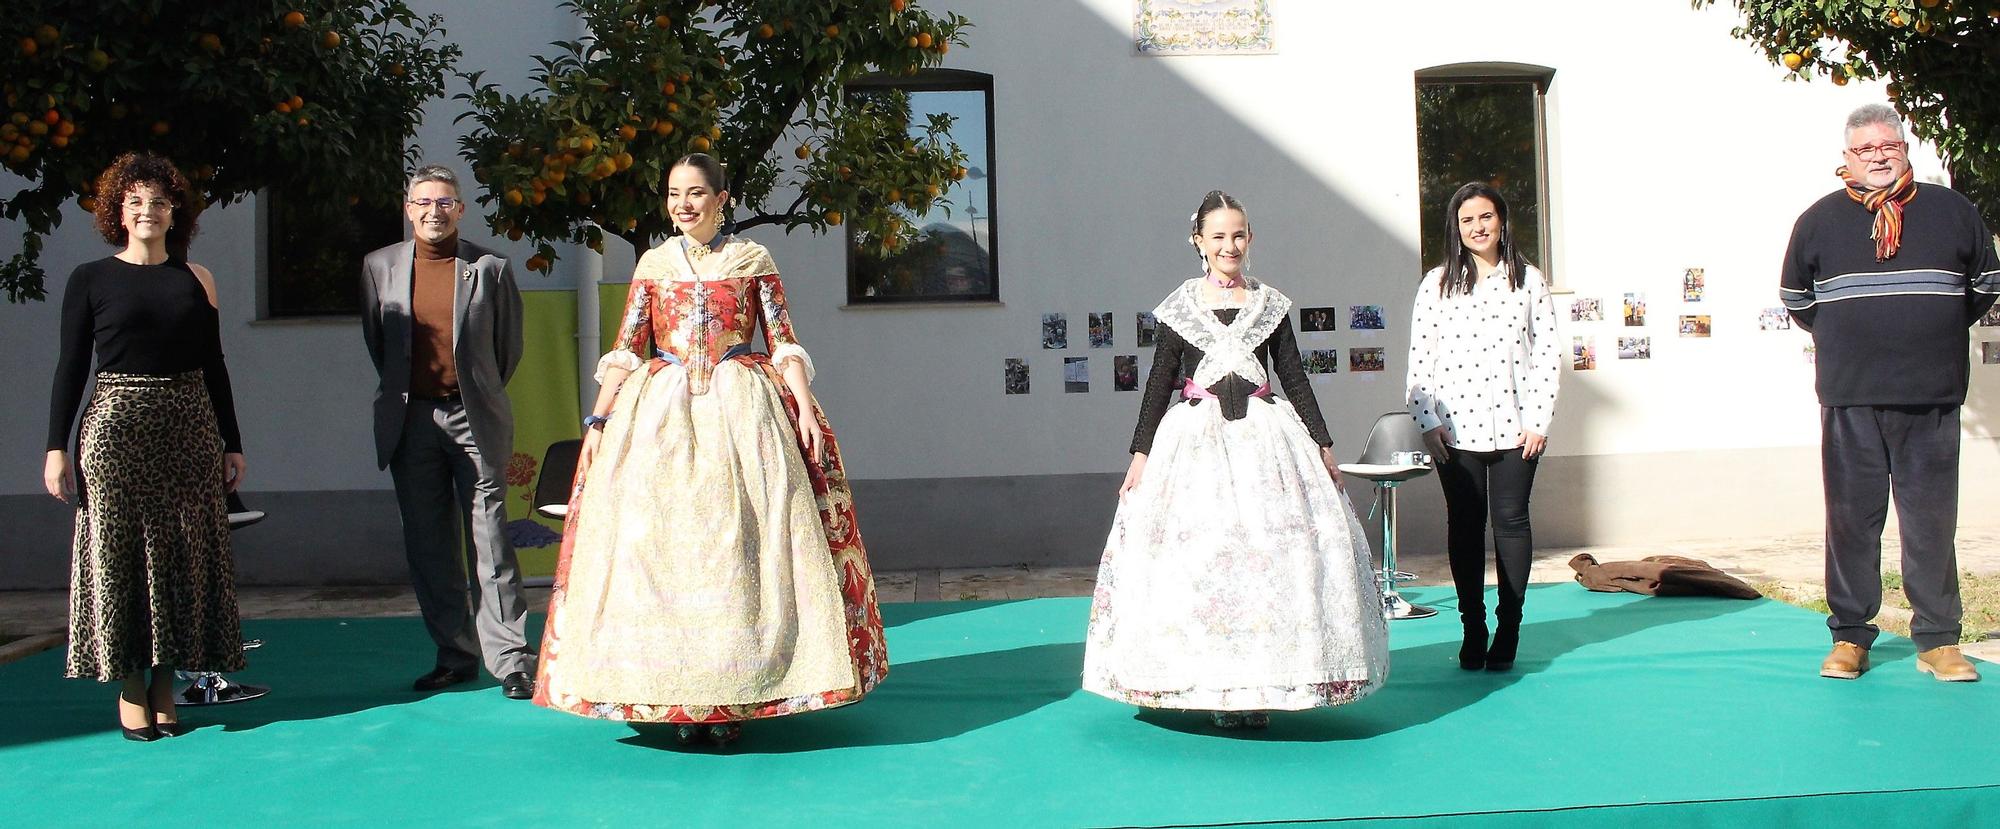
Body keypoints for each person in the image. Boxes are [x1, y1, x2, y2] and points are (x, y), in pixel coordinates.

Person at [534, 154, 888, 745]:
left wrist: (801, 405)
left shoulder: (752, 259)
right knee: (656, 548)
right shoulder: (653, 262)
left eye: (696, 193)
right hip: (658, 418)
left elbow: (784, 340)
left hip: (741, 413)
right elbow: (626, 346)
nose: (683, 204)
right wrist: (597, 421)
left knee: (738, 550)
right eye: (674, 193)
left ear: (723, 199)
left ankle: (732, 700)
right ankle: (668, 693)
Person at [1082, 190, 1388, 730]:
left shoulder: (1271, 305)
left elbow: (1294, 376)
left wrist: (1322, 444)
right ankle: (1211, 685)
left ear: (1250, 239)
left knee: (1270, 562)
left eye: (1239, 235)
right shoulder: (1178, 309)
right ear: (1198, 241)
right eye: (1219, 235)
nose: (1230, 245)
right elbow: (1158, 386)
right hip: (1194, 447)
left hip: (1267, 441)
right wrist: (1140, 455)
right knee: (1203, 561)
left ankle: (1263, 686)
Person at [1780, 103, 2000, 682]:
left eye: (1887, 146)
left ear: (1904, 148)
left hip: (1931, 395)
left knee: (1931, 521)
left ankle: (1938, 639)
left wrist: (1931, 330)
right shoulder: (1818, 220)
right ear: (1846, 159)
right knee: (1851, 520)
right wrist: (1857, 335)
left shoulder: (1952, 211)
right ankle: (1851, 636)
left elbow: (1985, 285)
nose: (1878, 156)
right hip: (1850, 395)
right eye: (1864, 149)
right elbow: (1798, 300)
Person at [44, 153, 247, 741]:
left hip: (187, 429)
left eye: (157, 202)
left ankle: (165, 686)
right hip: (113, 431)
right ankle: (131, 686)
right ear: (118, 212)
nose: (147, 212)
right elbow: (71, 366)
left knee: (182, 559)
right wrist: (56, 447)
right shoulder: (90, 279)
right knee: (120, 558)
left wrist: (232, 442)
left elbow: (215, 365)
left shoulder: (196, 278)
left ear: (174, 211)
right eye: (135, 202)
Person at [360, 165, 535, 699]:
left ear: (460, 209)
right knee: (429, 546)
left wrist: (472, 392)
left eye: (445, 202)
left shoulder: (489, 268)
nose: (433, 211)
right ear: (408, 208)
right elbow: (380, 345)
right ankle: (454, 655)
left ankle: (510, 661)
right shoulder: (378, 266)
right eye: (422, 202)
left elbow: (506, 351)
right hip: (410, 423)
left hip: (472, 417)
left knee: (490, 538)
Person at [1406, 182, 1562, 673]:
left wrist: (1539, 420)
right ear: (1455, 227)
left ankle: (1509, 625)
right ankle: (1473, 627)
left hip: (1519, 431)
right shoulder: (1436, 283)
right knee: (1466, 527)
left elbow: (1547, 355)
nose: (1478, 227)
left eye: (1486, 217)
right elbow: (1420, 358)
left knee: (1512, 524)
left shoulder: (1528, 280)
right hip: (1454, 431)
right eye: (1467, 220)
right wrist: (1426, 422)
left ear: (1502, 220)